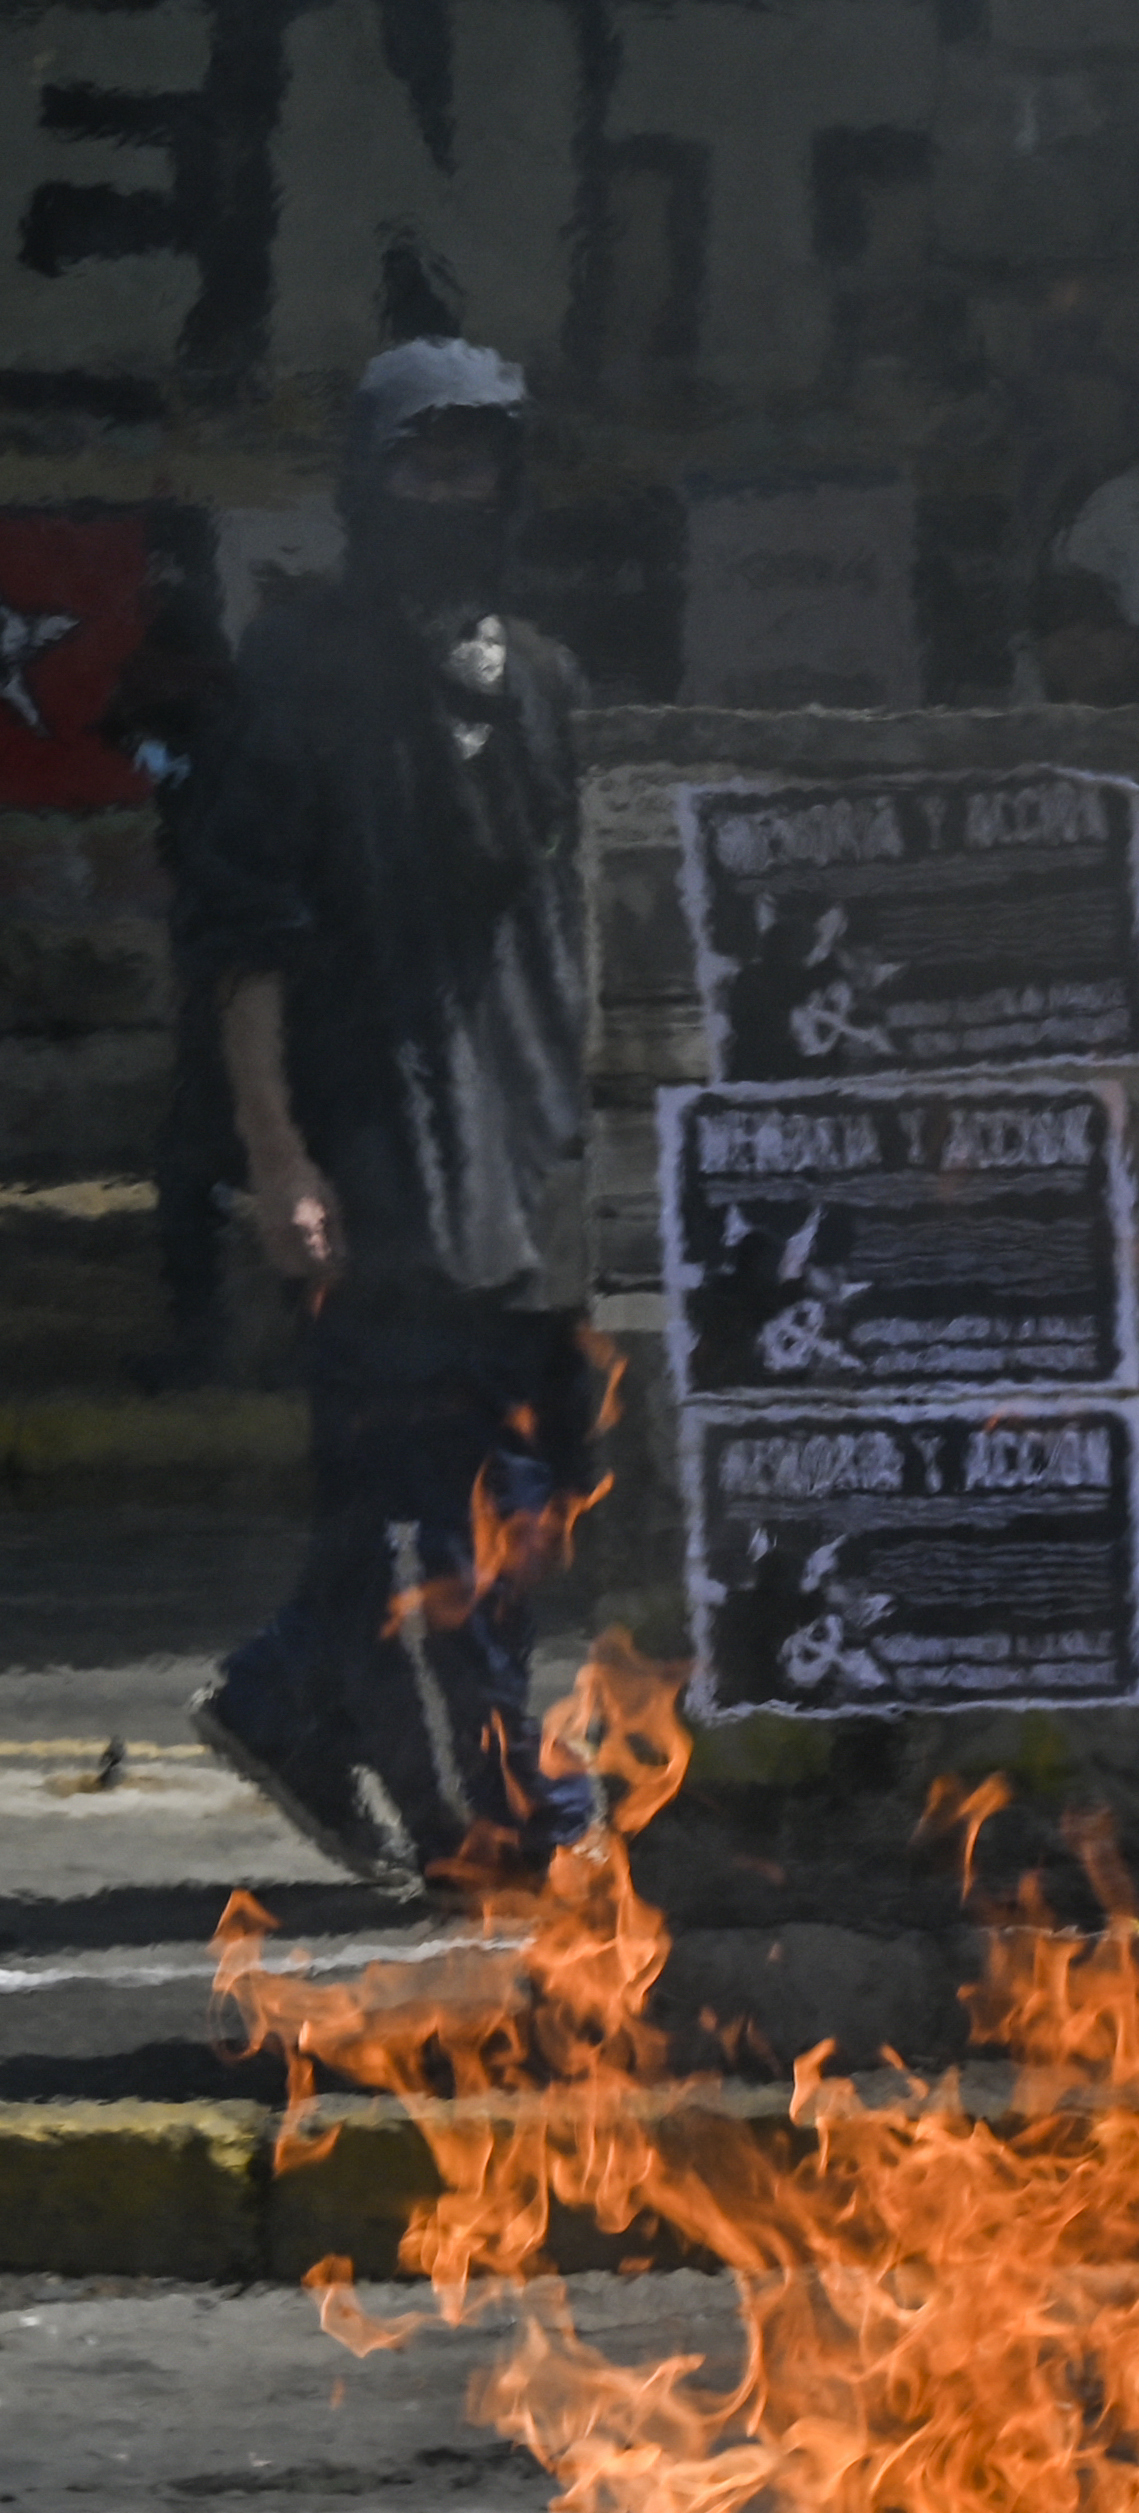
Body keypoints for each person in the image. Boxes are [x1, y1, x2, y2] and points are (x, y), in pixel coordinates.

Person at [182, 340, 599, 1896]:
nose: (449, 491)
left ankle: (292, 1695)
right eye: (420, 463)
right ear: (369, 477)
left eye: (473, 461)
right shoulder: (304, 667)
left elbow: (568, 921)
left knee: (498, 1476)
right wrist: (278, 1155)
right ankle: (499, 1808)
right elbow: (245, 936)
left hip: (528, 1144)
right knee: (454, 1488)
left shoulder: (541, 673)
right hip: (378, 1146)